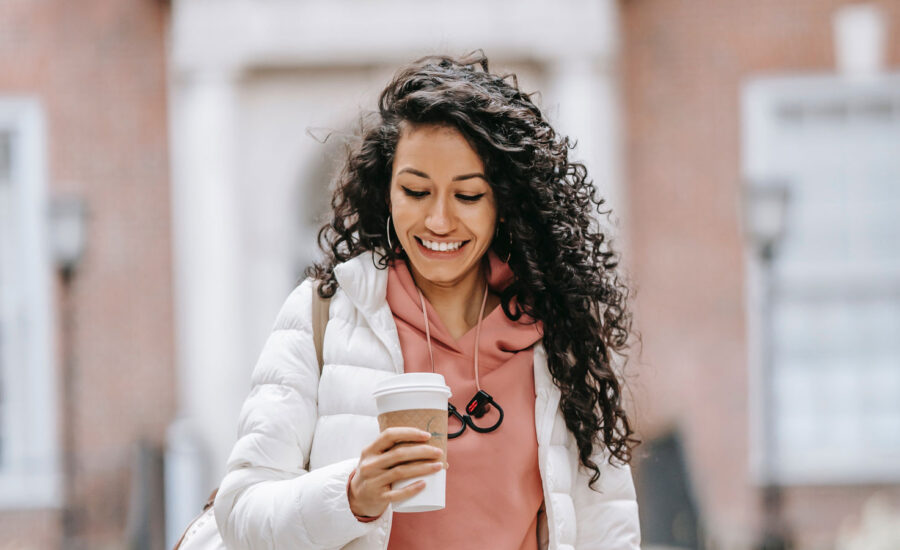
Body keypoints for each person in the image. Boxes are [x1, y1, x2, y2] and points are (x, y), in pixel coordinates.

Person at [213, 52, 641, 549]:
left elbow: (608, 531)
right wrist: (351, 495)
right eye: (416, 191)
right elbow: (240, 512)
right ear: (386, 192)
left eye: (468, 196)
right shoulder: (324, 314)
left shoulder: (559, 330)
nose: (439, 221)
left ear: (503, 203)